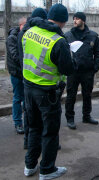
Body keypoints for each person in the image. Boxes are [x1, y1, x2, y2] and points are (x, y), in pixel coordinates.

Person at [22, 4, 75, 179]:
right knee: (50, 132)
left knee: (34, 128)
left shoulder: (29, 31)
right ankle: (47, 169)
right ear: (63, 21)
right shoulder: (58, 41)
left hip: (28, 88)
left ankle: (30, 166)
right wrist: (71, 56)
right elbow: (68, 69)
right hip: (47, 93)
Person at [65, 12, 99, 129]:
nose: (75, 20)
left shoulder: (92, 36)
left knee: (87, 94)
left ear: (83, 21)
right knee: (71, 95)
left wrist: (95, 68)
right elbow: (63, 53)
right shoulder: (68, 35)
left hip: (87, 71)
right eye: (74, 19)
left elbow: (98, 52)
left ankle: (87, 116)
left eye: (77, 19)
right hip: (73, 72)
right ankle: (70, 118)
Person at [17, 8, 47, 149]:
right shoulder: (30, 34)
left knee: (30, 113)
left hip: (28, 77)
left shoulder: (26, 32)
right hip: (32, 79)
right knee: (31, 115)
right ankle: (31, 142)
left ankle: (28, 142)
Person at [6, 17, 26, 134]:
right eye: (24, 26)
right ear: (20, 25)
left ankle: (26, 121)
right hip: (16, 73)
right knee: (18, 97)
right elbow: (15, 56)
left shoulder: (25, 37)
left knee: (25, 98)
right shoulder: (12, 38)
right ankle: (18, 122)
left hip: (24, 72)